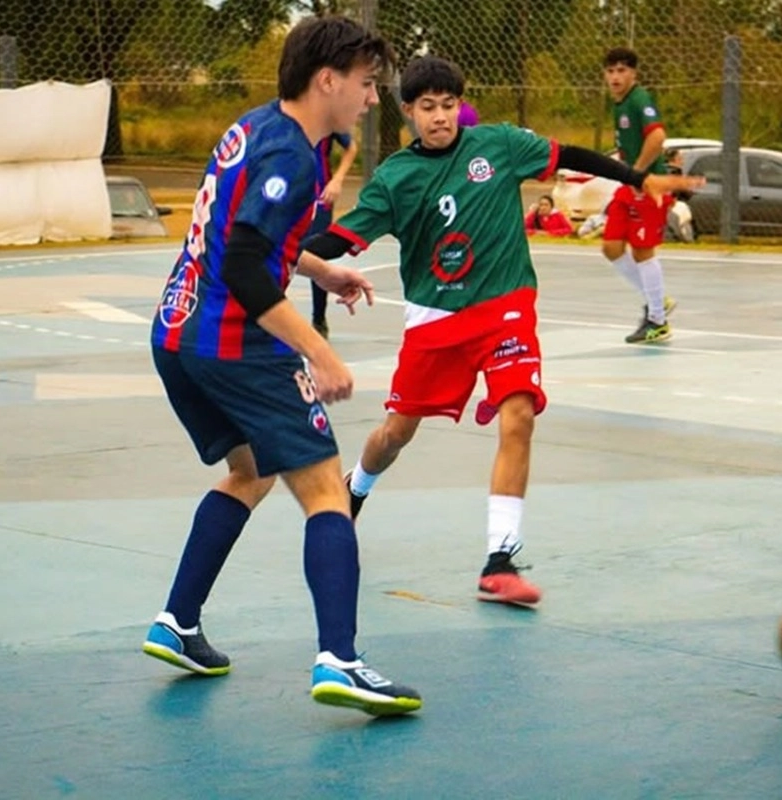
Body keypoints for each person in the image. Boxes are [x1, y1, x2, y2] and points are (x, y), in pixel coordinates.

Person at [298, 56, 701, 606]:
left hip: (506, 308)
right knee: (396, 433)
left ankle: (500, 560)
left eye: (447, 106)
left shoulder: (500, 145)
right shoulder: (395, 179)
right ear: (409, 112)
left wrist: (637, 176)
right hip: (435, 320)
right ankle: (356, 490)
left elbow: (570, 156)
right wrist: (276, 257)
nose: (439, 117)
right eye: (426, 108)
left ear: (458, 106)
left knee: (519, 415)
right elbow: (341, 241)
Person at [142, 16, 421, 718]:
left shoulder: (256, 128)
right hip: (234, 344)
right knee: (327, 489)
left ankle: (177, 622)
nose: (370, 98)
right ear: (327, 79)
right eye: (364, 83)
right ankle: (342, 661)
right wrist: (317, 348)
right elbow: (241, 264)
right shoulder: (296, 158)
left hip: (176, 334)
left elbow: (241, 233)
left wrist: (320, 269)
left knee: (249, 471)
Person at [600, 46, 678, 344]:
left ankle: (658, 321)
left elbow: (657, 137)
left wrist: (638, 172)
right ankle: (656, 298)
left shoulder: (639, 99)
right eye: (610, 71)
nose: (615, 77)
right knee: (611, 247)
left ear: (634, 73)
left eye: (622, 71)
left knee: (642, 251)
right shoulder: (619, 104)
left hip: (648, 184)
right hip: (630, 185)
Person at [309, 134, 360, 338]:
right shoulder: (282, 118)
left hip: (321, 194)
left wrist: (337, 180)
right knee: (278, 252)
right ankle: (271, 318)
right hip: (290, 192)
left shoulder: (326, 115)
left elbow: (351, 147)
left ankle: (319, 318)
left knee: (316, 253)